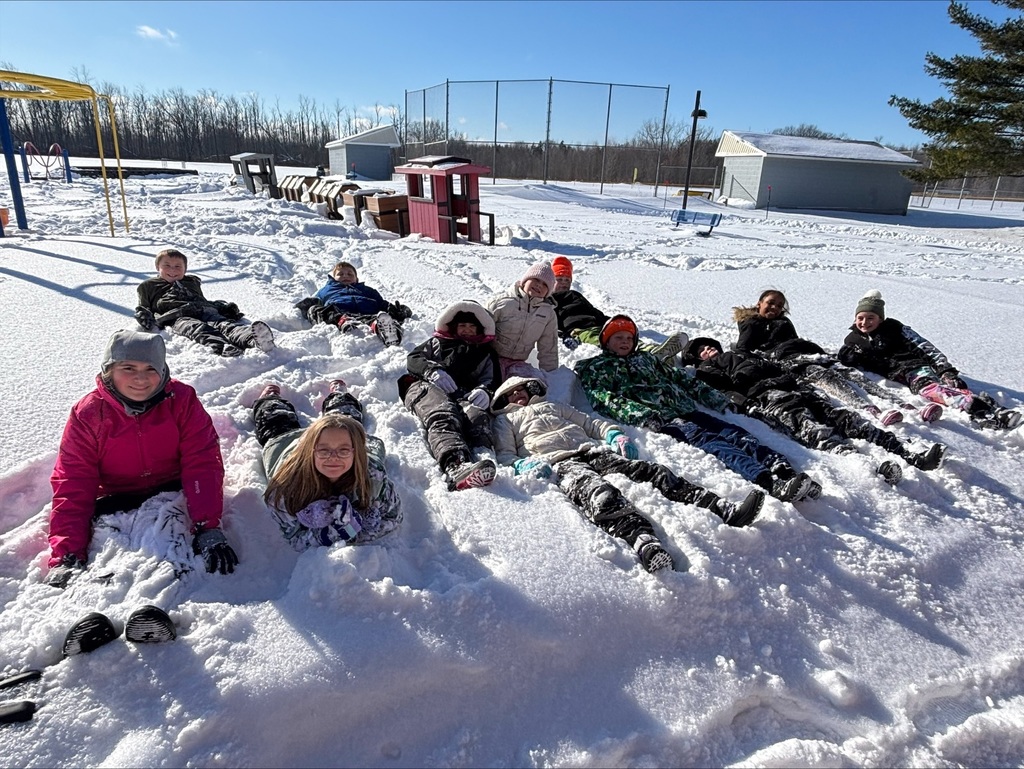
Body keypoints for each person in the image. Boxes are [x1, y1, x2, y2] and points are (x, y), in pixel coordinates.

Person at [491, 376, 766, 573]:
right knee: (599, 495)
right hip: (560, 463)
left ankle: (721, 507)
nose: (519, 396)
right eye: (512, 394)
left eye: (522, 389)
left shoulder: (554, 406)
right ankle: (643, 541)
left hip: (592, 451)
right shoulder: (505, 420)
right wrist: (524, 465)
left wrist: (613, 434)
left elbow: (590, 423)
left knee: (652, 472)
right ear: (504, 400)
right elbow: (505, 454)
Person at [47, 330, 238, 590]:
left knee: (171, 555)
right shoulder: (89, 415)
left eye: (150, 368)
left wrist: (207, 526)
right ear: (109, 370)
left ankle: (158, 610)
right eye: (128, 367)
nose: (140, 378)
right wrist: (67, 553)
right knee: (108, 564)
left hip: (172, 493)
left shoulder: (181, 401)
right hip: (116, 501)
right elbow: (73, 481)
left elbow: (202, 461)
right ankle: (96, 617)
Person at [574, 315, 821, 502]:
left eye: (629, 338)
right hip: (664, 417)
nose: (625, 342)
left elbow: (683, 379)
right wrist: (644, 415)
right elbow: (603, 398)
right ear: (606, 341)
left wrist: (716, 399)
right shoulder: (597, 367)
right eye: (619, 338)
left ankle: (783, 470)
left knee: (735, 433)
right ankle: (766, 480)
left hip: (684, 408)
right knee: (713, 443)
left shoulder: (646, 359)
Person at [680, 336, 946, 482]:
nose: (708, 350)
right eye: (702, 350)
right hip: (768, 397)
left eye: (710, 345)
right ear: (696, 358)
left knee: (845, 419)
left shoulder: (746, 355)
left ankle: (907, 452)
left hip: (792, 387)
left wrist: (796, 380)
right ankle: (870, 466)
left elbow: (776, 366)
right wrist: (745, 403)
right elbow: (723, 392)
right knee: (814, 430)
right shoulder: (706, 371)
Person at [733, 289, 939, 425]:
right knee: (828, 377)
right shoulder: (751, 324)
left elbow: (793, 341)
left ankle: (902, 403)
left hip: (803, 351)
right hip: (785, 360)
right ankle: (872, 409)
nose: (774, 308)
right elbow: (743, 351)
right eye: (770, 303)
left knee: (849, 373)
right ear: (759, 303)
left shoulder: (784, 322)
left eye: (779, 305)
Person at [839, 290, 1021, 430]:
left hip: (915, 368)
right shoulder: (853, 340)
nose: (865, 322)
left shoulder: (896, 329)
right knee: (932, 390)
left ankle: (984, 410)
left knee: (928, 389)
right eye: (860, 318)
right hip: (899, 375)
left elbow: (925, 347)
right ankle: (979, 404)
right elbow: (850, 359)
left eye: (871, 318)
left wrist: (945, 370)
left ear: (881, 318)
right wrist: (848, 358)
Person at [252, 381, 401, 550]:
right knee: (275, 418)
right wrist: (329, 534)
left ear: (356, 452)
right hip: (284, 443)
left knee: (344, 419)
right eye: (324, 451)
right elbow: (294, 536)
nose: (333, 458)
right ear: (310, 451)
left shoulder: (374, 477)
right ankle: (270, 398)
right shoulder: (285, 487)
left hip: (332, 436)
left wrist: (359, 529)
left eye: (343, 451)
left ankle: (339, 394)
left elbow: (393, 516)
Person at [398, 301, 501, 490]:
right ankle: (455, 463)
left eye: (472, 326)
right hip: (427, 386)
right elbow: (414, 359)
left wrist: (485, 391)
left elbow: (493, 378)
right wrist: (432, 371)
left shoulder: (486, 353)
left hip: (463, 393)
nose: (467, 330)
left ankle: (484, 457)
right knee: (443, 414)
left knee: (477, 417)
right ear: (454, 326)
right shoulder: (437, 343)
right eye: (463, 325)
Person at [135, 248, 276, 357]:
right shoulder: (148, 286)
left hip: (203, 309)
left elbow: (202, 300)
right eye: (167, 265)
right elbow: (144, 307)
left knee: (225, 324)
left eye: (178, 266)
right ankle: (222, 347)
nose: (173, 270)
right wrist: (144, 316)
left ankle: (253, 339)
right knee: (197, 328)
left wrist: (222, 307)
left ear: (185, 269)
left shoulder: (191, 282)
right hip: (177, 316)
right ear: (157, 267)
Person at [551, 255, 687, 361]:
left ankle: (652, 350)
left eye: (567, 280)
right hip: (580, 330)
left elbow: (593, 311)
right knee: (600, 342)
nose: (564, 283)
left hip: (598, 324)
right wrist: (566, 335)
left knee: (624, 337)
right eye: (559, 279)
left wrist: (612, 322)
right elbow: (550, 322)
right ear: (552, 281)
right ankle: (650, 355)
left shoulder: (575, 295)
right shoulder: (550, 301)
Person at [294, 260, 412, 347]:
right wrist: (306, 305)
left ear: (356, 278)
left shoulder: (367, 290)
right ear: (334, 278)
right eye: (340, 274)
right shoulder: (327, 290)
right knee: (317, 309)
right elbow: (316, 301)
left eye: (350, 274)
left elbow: (382, 304)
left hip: (367, 313)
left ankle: (385, 330)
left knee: (380, 317)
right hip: (339, 313)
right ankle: (342, 322)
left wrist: (398, 310)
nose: (345, 276)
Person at [486, 260, 560, 382]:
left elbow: (548, 349)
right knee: (488, 382)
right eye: (536, 280)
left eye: (545, 284)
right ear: (524, 281)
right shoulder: (502, 302)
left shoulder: (548, 314)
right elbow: (482, 330)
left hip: (518, 364)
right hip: (490, 358)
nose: (539, 285)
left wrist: (551, 378)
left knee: (531, 385)